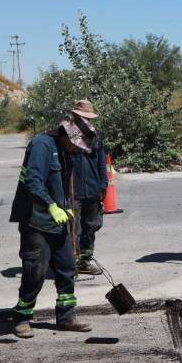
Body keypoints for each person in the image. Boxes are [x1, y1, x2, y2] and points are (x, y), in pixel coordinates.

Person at [8, 115, 93, 338]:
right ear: (65, 135)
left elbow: (64, 185)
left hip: (58, 222)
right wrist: (51, 206)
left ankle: (66, 317)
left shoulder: (67, 153)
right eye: (75, 144)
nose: (77, 149)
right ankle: (21, 317)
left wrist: (67, 208)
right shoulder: (41, 146)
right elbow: (32, 181)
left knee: (67, 269)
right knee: (34, 272)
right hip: (36, 221)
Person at [66, 100, 108, 277]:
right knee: (73, 229)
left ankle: (86, 260)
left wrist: (103, 183)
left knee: (91, 226)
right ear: (75, 116)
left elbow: (100, 161)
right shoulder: (66, 136)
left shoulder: (95, 135)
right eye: (83, 117)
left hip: (92, 189)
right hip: (72, 190)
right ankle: (71, 264)